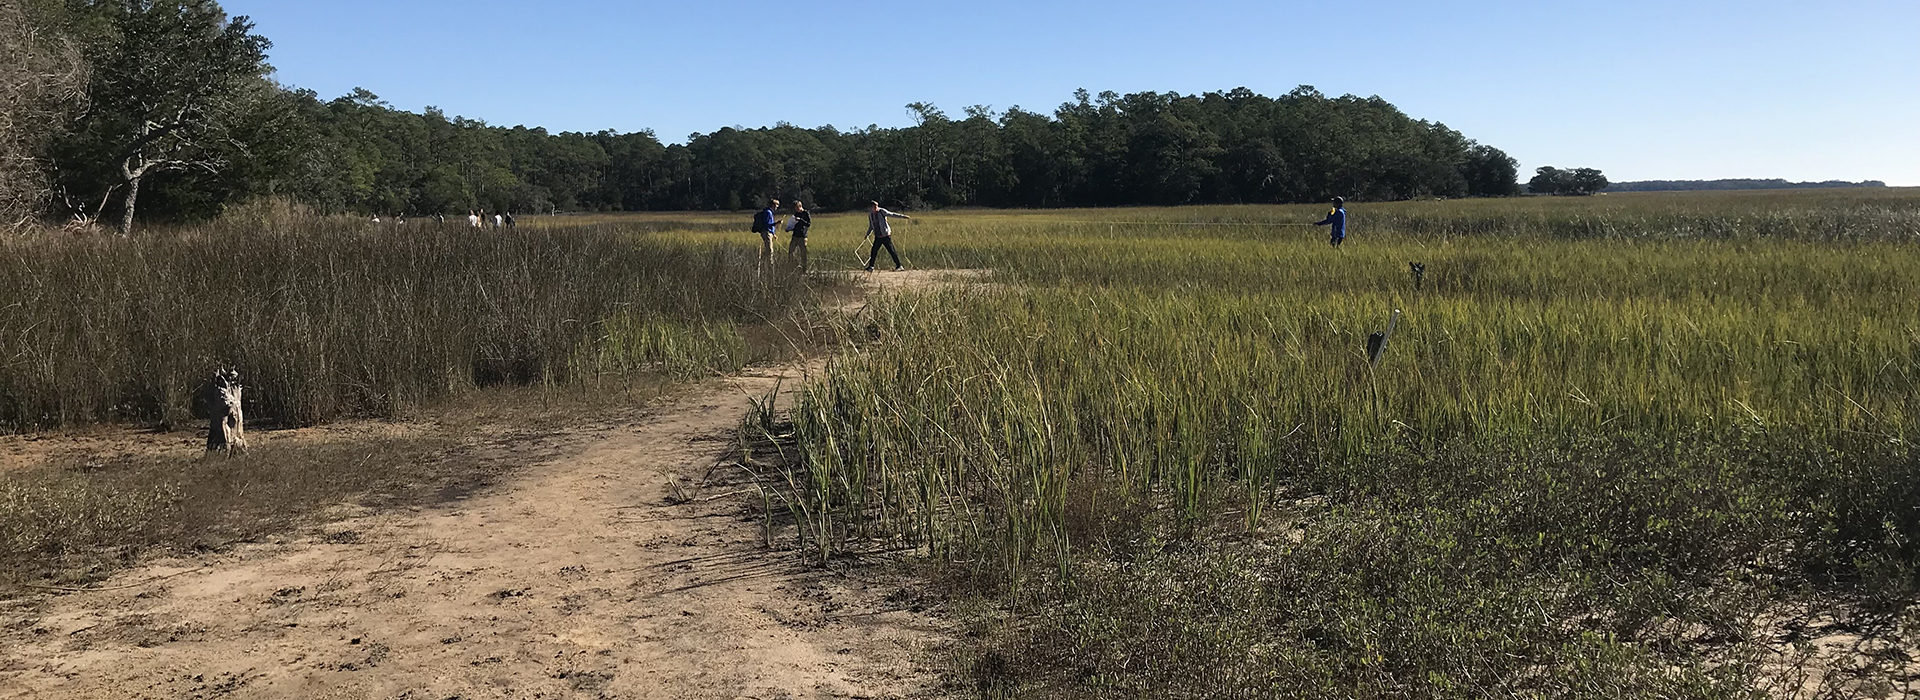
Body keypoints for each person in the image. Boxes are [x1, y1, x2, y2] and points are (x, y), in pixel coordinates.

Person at [863, 201, 912, 271]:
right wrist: (867, 234)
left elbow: (892, 214)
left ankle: (899, 266)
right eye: (874, 207)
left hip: (885, 236)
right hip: (878, 236)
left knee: (891, 250)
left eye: (876, 206)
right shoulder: (870, 215)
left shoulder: (881, 211)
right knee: (874, 251)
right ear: (871, 208)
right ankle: (871, 266)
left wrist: (903, 216)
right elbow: (871, 226)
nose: (876, 208)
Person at [785, 200, 812, 272]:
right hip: (795, 235)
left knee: (803, 253)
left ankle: (804, 269)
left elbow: (808, 224)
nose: (796, 210)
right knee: (791, 251)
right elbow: (794, 224)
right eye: (795, 208)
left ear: (800, 206)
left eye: (797, 208)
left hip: (802, 236)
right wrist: (789, 228)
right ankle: (793, 267)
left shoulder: (806, 213)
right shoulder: (795, 214)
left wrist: (800, 220)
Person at [751, 199, 780, 263]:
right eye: (776, 205)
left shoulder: (769, 212)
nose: (777, 207)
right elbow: (766, 224)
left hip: (769, 233)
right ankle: (768, 263)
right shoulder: (768, 212)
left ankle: (762, 261)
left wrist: (773, 234)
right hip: (766, 233)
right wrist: (776, 223)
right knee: (769, 250)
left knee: (769, 250)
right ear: (773, 205)